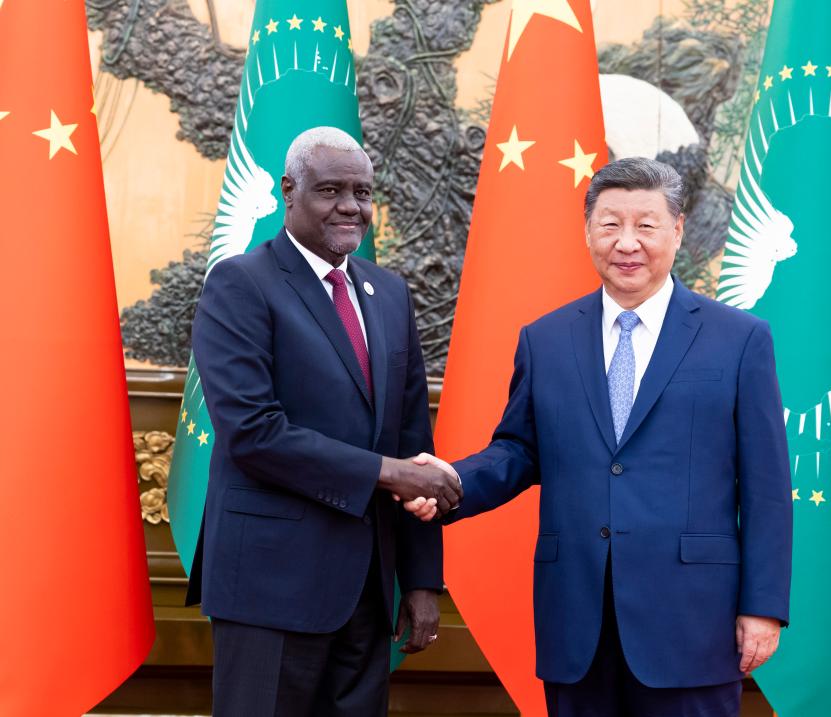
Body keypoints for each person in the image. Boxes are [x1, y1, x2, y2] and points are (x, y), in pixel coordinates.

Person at [410, 157, 792, 716]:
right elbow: (518, 451)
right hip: (577, 618)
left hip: (691, 620)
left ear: (678, 230)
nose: (627, 243)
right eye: (611, 224)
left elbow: (765, 487)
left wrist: (762, 606)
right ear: (588, 231)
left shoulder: (739, 340)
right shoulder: (546, 340)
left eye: (646, 225)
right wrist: (450, 481)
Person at [187, 126, 462, 717]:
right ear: (289, 191)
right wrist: (387, 474)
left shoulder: (388, 293)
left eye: (362, 193)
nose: (350, 207)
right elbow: (253, 433)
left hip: (367, 589)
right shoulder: (240, 284)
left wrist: (420, 581)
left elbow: (413, 442)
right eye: (330, 190)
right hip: (269, 589)